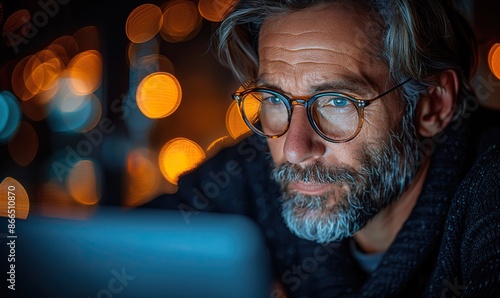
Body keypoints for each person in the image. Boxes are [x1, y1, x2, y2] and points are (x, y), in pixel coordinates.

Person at [144, 0, 500, 296]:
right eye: (273, 98)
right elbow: (115, 252)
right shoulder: (255, 171)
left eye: (337, 102)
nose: (295, 149)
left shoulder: (490, 191)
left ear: (432, 106)